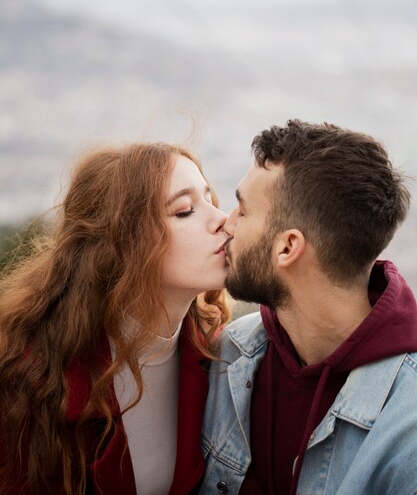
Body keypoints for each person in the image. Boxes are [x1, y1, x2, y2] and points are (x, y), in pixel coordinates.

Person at [199, 119, 417, 495]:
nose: (227, 224)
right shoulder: (231, 352)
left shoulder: (408, 418)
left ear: (287, 248)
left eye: (243, 210)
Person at [0, 142, 231, 495]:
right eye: (184, 210)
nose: (221, 219)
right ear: (122, 244)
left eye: (210, 199)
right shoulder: (27, 376)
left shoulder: (223, 355)